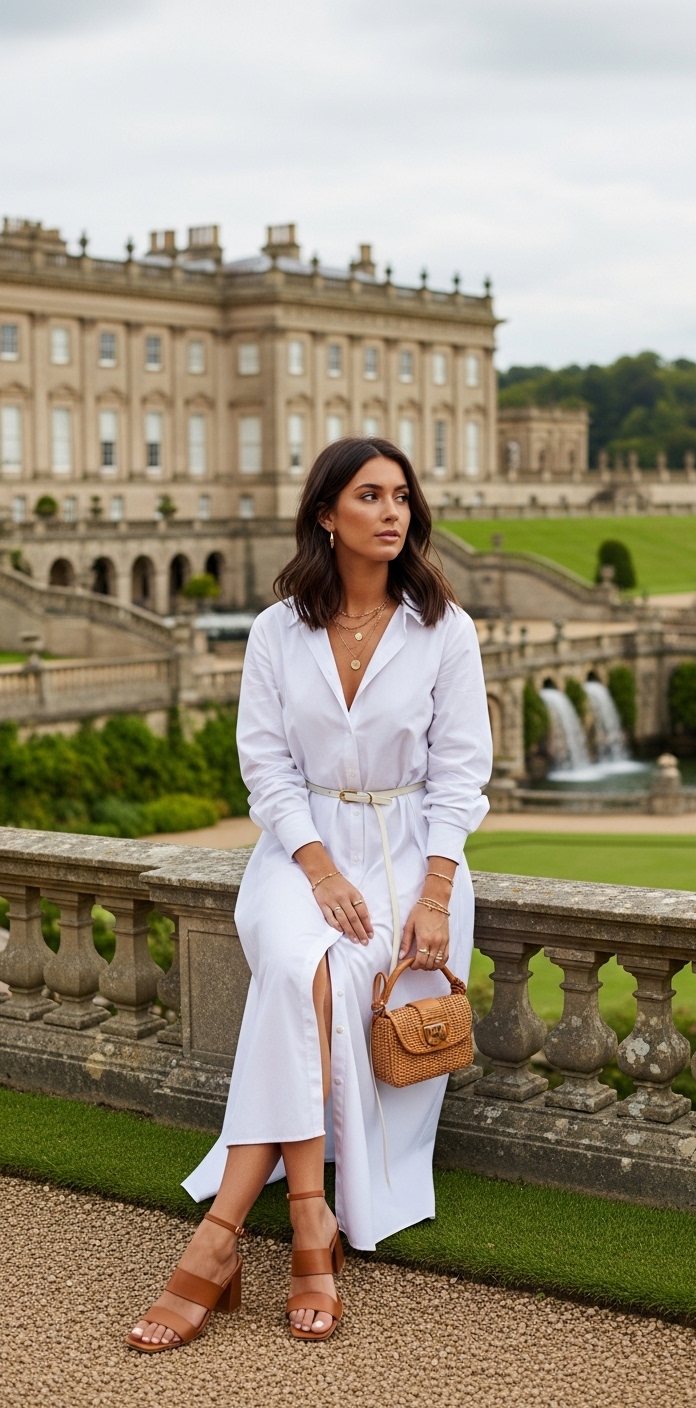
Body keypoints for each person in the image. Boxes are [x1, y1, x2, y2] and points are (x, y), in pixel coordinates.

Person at [128, 436, 492, 1351]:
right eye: (370, 496)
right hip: (298, 855)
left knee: (311, 985)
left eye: (402, 496)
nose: (393, 511)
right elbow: (266, 767)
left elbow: (460, 773)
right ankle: (306, 1225)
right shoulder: (275, 629)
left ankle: (225, 1239)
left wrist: (436, 894)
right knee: (301, 961)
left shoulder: (445, 626)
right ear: (326, 514)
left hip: (414, 857)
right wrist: (319, 869)